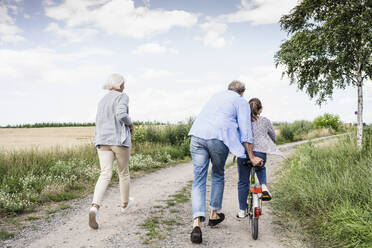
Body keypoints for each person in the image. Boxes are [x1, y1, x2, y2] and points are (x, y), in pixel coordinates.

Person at [188, 81, 263, 244]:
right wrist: (250, 155)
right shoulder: (241, 101)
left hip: (197, 136)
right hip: (218, 139)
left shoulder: (216, 96)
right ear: (242, 92)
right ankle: (214, 214)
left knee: (198, 180)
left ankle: (197, 224)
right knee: (217, 173)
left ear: (228, 89)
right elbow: (245, 130)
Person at [89, 73, 134, 230]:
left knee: (105, 174)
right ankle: (124, 204)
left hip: (102, 141)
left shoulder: (102, 100)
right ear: (120, 84)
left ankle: (94, 207)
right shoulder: (122, 96)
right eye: (123, 83)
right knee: (123, 172)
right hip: (119, 141)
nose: (124, 86)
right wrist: (130, 124)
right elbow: (121, 114)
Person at [236, 98, 283, 219]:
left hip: (244, 153)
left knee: (243, 181)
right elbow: (273, 137)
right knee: (261, 168)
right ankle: (263, 186)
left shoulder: (242, 122)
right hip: (260, 153)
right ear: (260, 109)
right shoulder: (265, 121)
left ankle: (242, 210)